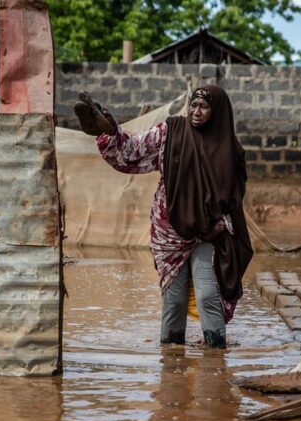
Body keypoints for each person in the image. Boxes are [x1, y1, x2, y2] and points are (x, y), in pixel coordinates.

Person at [73, 86, 254, 349]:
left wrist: (216, 225)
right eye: (193, 105)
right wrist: (110, 130)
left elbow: (234, 195)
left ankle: (216, 353)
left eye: (204, 106)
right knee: (174, 298)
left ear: (218, 112)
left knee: (207, 296)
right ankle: (171, 358)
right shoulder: (171, 132)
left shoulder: (231, 150)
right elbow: (133, 150)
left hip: (210, 233)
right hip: (169, 231)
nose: (196, 111)